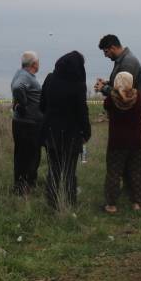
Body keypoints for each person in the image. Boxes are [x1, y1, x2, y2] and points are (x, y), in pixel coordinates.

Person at [40, 51, 91, 210]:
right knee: (69, 171)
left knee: (54, 170)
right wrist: (86, 132)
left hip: (51, 133)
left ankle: (52, 203)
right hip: (72, 135)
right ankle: (69, 203)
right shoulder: (79, 85)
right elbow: (82, 111)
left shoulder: (49, 79)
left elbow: (42, 105)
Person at [103, 72, 141, 213]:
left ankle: (111, 205)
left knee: (114, 173)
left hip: (117, 141)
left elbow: (107, 106)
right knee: (138, 171)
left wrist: (108, 88)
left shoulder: (110, 99)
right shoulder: (138, 97)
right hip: (137, 140)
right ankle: (137, 203)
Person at [10, 51, 43, 196]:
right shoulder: (24, 77)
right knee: (30, 155)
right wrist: (22, 104)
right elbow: (18, 87)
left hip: (22, 122)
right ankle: (26, 186)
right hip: (28, 124)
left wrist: (19, 103)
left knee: (22, 155)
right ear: (34, 64)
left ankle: (21, 184)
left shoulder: (20, 74)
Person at [95, 35, 141, 117]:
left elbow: (123, 95)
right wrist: (107, 83)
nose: (105, 55)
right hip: (126, 114)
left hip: (130, 115)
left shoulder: (127, 63)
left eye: (106, 51)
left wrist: (103, 88)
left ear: (113, 48)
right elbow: (121, 84)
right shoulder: (122, 60)